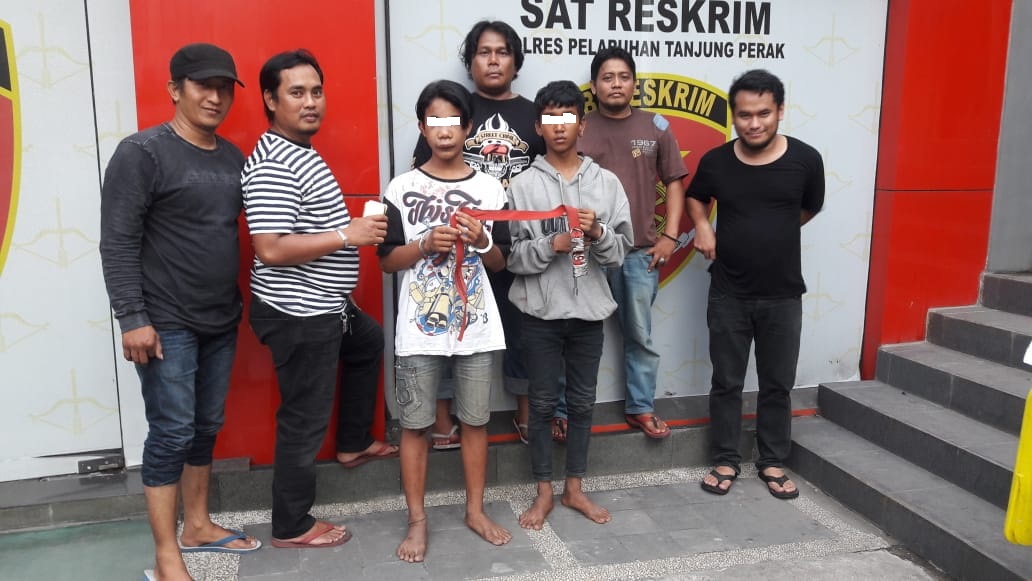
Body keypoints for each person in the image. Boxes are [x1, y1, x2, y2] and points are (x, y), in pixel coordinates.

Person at [100, 42, 260, 581]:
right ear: (175, 89)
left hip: (220, 317)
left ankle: (198, 525)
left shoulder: (234, 158)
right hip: (164, 322)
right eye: (202, 86)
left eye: (224, 88)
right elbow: (117, 242)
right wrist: (132, 318)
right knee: (171, 432)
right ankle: (167, 556)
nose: (215, 97)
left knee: (205, 426)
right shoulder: (142, 153)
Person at [242, 49, 392, 549]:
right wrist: (348, 235)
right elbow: (270, 248)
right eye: (296, 93)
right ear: (271, 100)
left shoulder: (299, 150)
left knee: (367, 341)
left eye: (316, 91)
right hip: (298, 312)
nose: (310, 102)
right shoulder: (274, 164)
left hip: (325, 304)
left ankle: (352, 441)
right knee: (304, 419)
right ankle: (291, 525)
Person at [381, 79, 513, 563]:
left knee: (475, 421)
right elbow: (385, 262)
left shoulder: (489, 188)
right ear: (422, 127)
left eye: (452, 121)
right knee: (415, 426)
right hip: (419, 330)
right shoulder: (401, 188)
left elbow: (501, 262)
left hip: (475, 327)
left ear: (468, 127)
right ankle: (417, 521)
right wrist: (422, 245)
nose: (443, 131)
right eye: (434, 121)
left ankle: (475, 510)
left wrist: (481, 241)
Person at [688, 69, 824, 499]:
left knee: (777, 384)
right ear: (734, 116)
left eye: (763, 113)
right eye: (745, 115)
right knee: (726, 381)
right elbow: (695, 196)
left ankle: (772, 461)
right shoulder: (716, 162)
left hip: (783, 294)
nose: (754, 123)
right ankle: (726, 458)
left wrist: (772, 230)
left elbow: (810, 207)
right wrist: (702, 226)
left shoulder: (806, 160)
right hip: (728, 292)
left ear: (780, 111)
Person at [507, 80, 634, 530]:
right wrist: (551, 244)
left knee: (582, 403)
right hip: (539, 314)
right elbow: (511, 257)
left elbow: (621, 252)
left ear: (581, 125)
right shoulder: (521, 185)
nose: (559, 127)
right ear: (539, 126)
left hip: (589, 312)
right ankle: (544, 491)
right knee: (541, 404)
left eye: (568, 118)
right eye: (550, 118)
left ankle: (574, 488)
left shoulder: (606, 183)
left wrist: (597, 233)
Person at [412, 20, 545, 449]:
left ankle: (526, 412)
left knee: (522, 326)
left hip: (515, 241)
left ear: (515, 60)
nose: (493, 60)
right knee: (444, 322)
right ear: (470, 61)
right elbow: (421, 173)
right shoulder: (451, 106)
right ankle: (442, 418)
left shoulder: (534, 116)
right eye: (483, 52)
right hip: (453, 245)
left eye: (502, 52)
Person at [578, 47, 689, 439]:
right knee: (572, 335)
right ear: (594, 86)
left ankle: (641, 406)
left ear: (634, 84)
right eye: (607, 77)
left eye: (624, 77)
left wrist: (670, 236)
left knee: (639, 335)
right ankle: (564, 410)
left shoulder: (655, 127)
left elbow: (674, 181)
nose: (616, 84)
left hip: (637, 252)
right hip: (584, 252)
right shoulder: (578, 127)